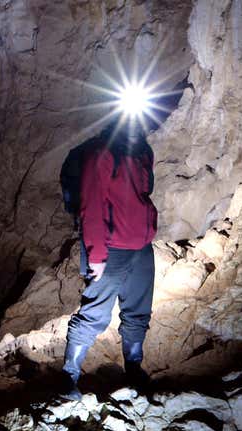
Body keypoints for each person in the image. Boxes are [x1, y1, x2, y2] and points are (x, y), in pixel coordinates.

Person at [61, 117, 157, 400]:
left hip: (142, 249)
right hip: (110, 250)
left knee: (138, 312)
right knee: (94, 313)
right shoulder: (100, 154)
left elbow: (143, 195)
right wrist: (97, 255)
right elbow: (91, 206)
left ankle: (134, 368)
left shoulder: (143, 153)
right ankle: (69, 375)